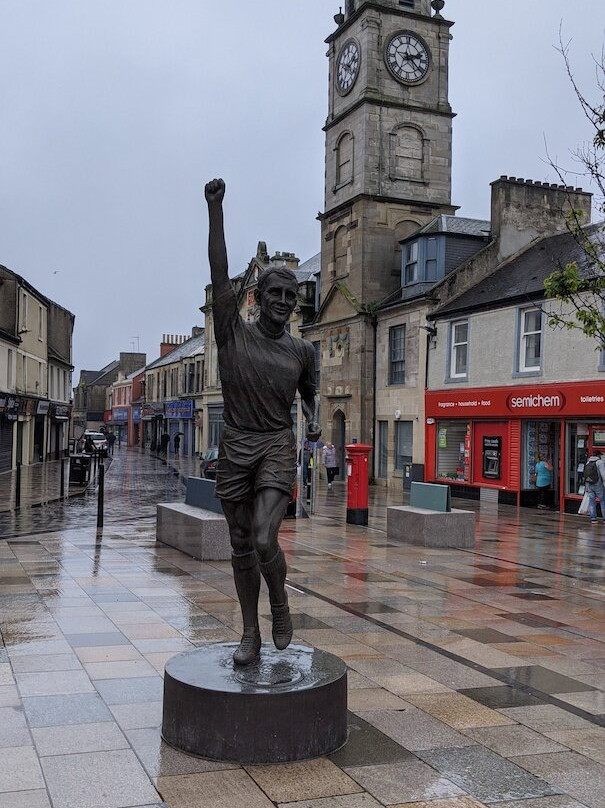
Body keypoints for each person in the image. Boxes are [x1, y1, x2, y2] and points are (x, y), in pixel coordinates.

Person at [205, 177, 320, 666]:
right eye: (275, 292)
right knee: (239, 543)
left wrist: (312, 420)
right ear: (258, 296)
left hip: (275, 444)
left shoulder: (303, 351)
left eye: (291, 296)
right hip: (236, 444)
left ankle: (280, 601)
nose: (283, 301)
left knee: (263, 537)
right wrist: (216, 211)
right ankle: (249, 633)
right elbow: (219, 266)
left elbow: (310, 399)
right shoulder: (233, 333)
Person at [584, 449, 605, 524]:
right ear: (599, 455)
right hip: (598, 484)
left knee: (591, 500)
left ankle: (593, 518)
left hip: (589, 484)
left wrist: (586, 486)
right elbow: (603, 475)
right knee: (603, 500)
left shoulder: (588, 461)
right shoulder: (600, 462)